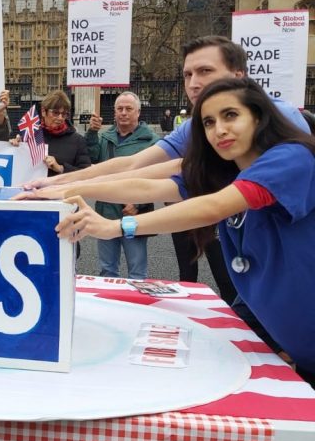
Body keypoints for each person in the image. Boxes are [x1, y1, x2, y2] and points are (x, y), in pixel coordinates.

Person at [43, 78, 315, 387]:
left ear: (258, 116)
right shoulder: (221, 172)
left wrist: (118, 226)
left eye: (230, 115)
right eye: (209, 122)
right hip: (298, 343)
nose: (219, 130)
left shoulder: (291, 157)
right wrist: (62, 189)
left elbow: (213, 207)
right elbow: (146, 186)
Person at [22, 35, 309, 303]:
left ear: (240, 79)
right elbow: (140, 170)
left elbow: (212, 205)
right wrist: (56, 188)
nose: (194, 83)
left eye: (205, 71)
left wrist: (115, 225)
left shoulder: (286, 141)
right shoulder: (205, 132)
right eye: (187, 74)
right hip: (264, 291)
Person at [85, 92, 158, 279]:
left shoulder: (152, 142)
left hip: (134, 214)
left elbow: (158, 178)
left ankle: (137, 307)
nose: (123, 113)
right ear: (115, 112)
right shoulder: (104, 137)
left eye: (128, 109)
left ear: (138, 112)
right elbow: (91, 159)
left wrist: (139, 204)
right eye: (120, 109)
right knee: (107, 271)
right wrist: (92, 133)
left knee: (137, 272)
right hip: (107, 213)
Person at [10, 90, 91, 175]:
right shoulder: (30, 135)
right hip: (33, 187)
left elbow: (86, 174)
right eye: (55, 113)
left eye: (64, 114)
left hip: (62, 188)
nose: (60, 118)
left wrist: (61, 168)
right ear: (44, 111)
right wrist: (15, 148)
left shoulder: (78, 141)